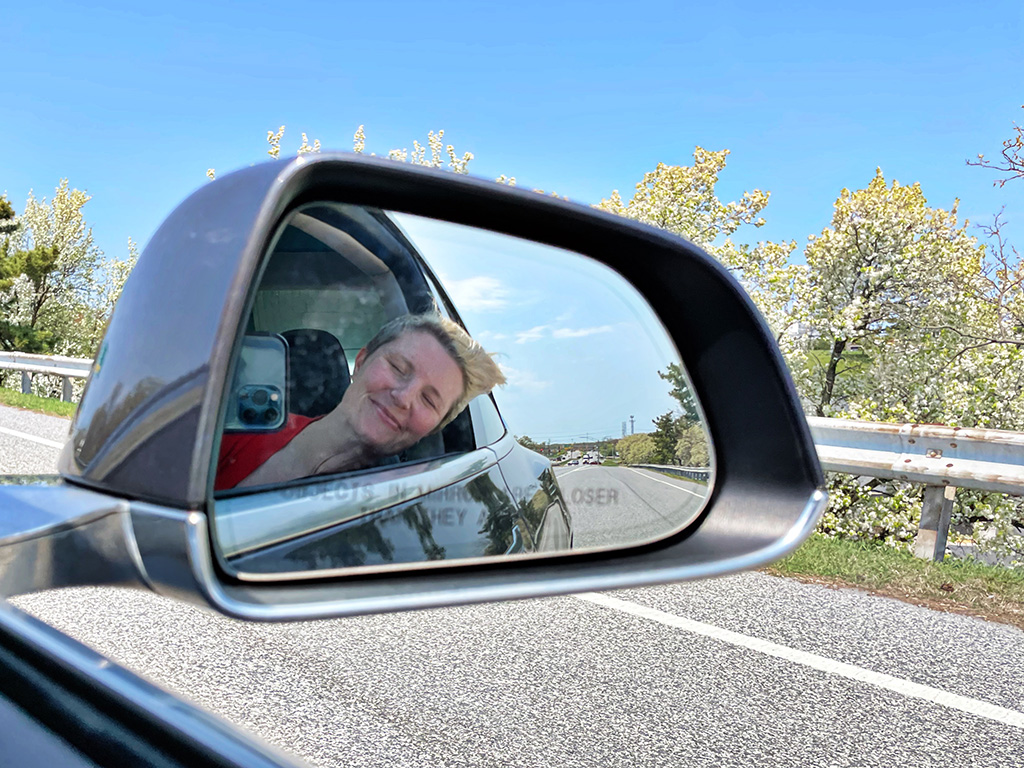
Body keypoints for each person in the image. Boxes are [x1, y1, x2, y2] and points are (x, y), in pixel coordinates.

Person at [216, 313, 505, 490]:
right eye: (398, 368)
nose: (403, 398)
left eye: (429, 401)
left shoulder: (397, 494)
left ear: (433, 428)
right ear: (362, 360)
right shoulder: (241, 429)